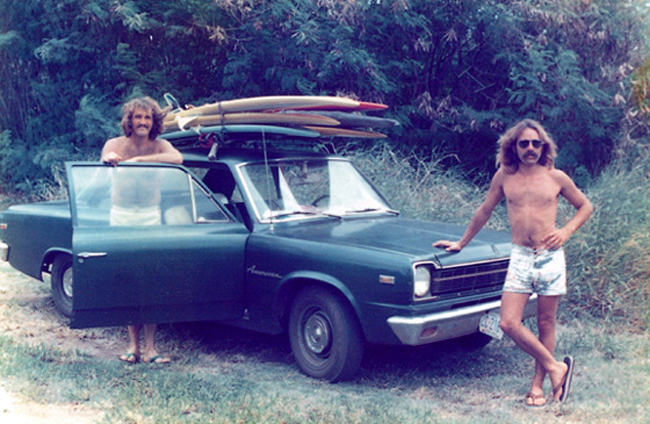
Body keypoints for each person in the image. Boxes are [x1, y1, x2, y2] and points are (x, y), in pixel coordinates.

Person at [433, 119, 593, 406]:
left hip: (550, 258)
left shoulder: (557, 177)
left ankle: (538, 387)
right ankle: (558, 368)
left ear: (543, 146)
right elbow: (484, 211)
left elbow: (585, 206)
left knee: (546, 322)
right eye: (524, 143)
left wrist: (565, 231)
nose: (530, 148)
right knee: (508, 322)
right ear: (513, 146)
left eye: (535, 143)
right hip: (520, 258)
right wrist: (461, 243)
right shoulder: (505, 177)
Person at [101, 96, 183, 364]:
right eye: (138, 117)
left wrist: (135, 161)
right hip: (121, 217)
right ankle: (132, 347)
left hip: (150, 217)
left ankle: (151, 349)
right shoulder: (115, 145)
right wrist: (113, 159)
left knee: (150, 281)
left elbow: (178, 158)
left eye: (148, 117)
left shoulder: (160, 145)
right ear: (129, 120)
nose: (143, 122)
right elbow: (106, 157)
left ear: (154, 121)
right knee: (127, 281)